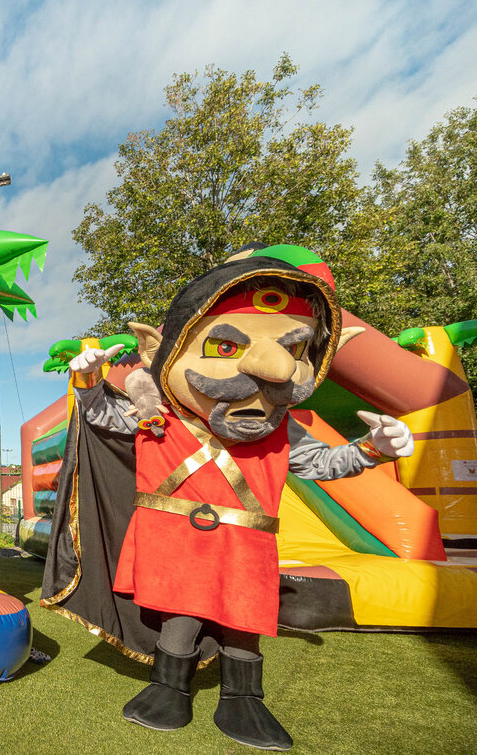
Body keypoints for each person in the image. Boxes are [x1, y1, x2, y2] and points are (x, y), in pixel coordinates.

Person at [41, 247, 414, 751]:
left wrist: (372, 448)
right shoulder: (158, 417)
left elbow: (326, 465)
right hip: (176, 541)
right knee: (181, 611)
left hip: (246, 545)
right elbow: (103, 418)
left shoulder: (281, 430)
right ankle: (170, 688)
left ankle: (244, 699)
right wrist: (87, 382)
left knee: (244, 618)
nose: (273, 371)